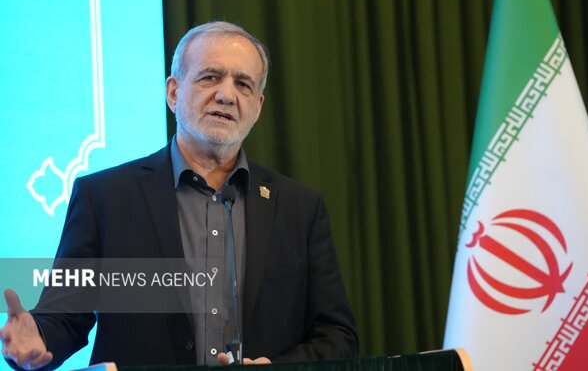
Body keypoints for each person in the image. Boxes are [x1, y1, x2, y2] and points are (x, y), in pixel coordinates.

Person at [0, 21, 358, 370]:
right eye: (210, 77)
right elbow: (65, 316)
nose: (226, 95)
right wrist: (37, 337)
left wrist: (276, 368)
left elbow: (336, 336)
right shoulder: (105, 197)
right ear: (173, 92)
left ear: (258, 106)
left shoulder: (299, 207)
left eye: (243, 84)